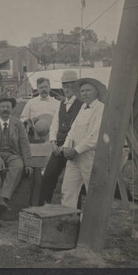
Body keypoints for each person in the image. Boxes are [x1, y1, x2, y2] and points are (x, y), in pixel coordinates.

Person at [38, 70, 84, 205]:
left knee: (74, 183)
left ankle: (74, 214)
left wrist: (66, 147)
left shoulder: (82, 104)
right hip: (58, 147)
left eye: (70, 86)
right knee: (48, 176)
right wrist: (52, 142)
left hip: (73, 148)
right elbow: (54, 125)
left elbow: (77, 129)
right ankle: (44, 207)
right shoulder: (61, 104)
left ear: (76, 87)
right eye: (64, 86)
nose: (67, 89)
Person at [0, 95, 33, 213]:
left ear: (12, 109)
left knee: (18, 166)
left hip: (12, 154)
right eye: (3, 107)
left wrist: (28, 163)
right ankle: (0, 196)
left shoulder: (18, 124)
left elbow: (24, 144)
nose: (5, 109)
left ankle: (1, 197)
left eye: (8, 107)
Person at [61, 77, 106, 209]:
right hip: (73, 156)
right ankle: (68, 221)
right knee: (68, 190)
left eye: (88, 90)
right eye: (82, 91)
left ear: (96, 92)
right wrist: (66, 147)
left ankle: (92, 225)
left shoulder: (101, 108)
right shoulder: (82, 108)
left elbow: (95, 135)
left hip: (89, 156)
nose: (85, 93)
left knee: (92, 190)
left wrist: (77, 150)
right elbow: (73, 130)